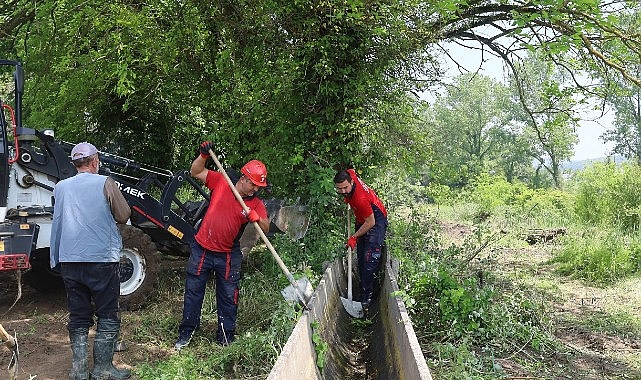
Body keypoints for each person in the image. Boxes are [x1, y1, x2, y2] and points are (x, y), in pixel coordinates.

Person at [175, 141, 269, 349]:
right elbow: (195, 171)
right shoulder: (221, 181)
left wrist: (256, 218)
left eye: (259, 186)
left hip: (227, 255)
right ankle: (186, 332)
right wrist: (203, 154)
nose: (255, 189)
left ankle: (225, 336)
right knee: (193, 291)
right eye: (253, 184)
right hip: (202, 248)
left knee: (228, 296)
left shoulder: (256, 203)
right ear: (243, 178)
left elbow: (266, 227)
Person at [50, 142, 131, 380]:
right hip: (101, 260)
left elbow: (57, 222)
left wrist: (56, 257)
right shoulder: (105, 182)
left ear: (75, 163)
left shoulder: (61, 187)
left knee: (78, 314)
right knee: (107, 313)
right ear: (95, 161)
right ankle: (103, 369)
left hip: (70, 260)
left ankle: (79, 371)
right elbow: (123, 215)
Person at [334, 169, 388, 313]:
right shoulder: (350, 175)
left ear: (351, 182)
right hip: (362, 217)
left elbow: (370, 222)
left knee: (370, 260)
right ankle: (362, 284)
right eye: (340, 189)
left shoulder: (360, 198)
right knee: (361, 257)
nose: (344, 191)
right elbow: (351, 170)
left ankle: (366, 298)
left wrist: (354, 237)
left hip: (375, 220)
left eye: (346, 187)